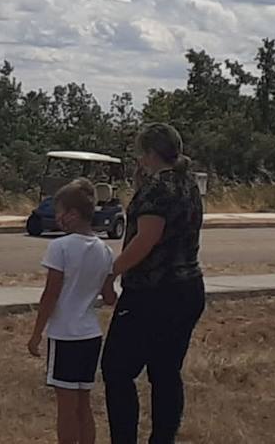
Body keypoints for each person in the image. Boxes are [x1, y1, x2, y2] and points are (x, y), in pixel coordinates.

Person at [102, 123, 206, 444]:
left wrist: (111, 272)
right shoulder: (188, 184)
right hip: (188, 287)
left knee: (117, 369)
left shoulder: (157, 189)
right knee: (165, 372)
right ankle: (163, 438)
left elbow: (146, 240)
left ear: (148, 154)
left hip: (152, 292)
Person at [28, 179, 117, 444]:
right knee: (83, 403)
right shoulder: (105, 250)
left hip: (65, 334)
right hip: (90, 335)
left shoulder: (60, 247)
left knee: (65, 407)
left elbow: (51, 295)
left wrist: (36, 334)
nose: (57, 217)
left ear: (73, 214)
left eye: (60, 211)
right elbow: (110, 296)